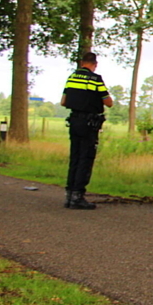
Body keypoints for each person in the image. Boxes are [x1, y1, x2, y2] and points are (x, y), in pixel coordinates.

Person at [60, 52, 113, 210]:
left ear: (82, 63)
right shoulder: (96, 79)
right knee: (86, 157)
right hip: (89, 123)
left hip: (74, 121)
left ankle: (69, 195)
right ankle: (78, 196)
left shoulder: (71, 78)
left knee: (75, 157)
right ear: (94, 64)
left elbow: (63, 101)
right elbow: (108, 102)